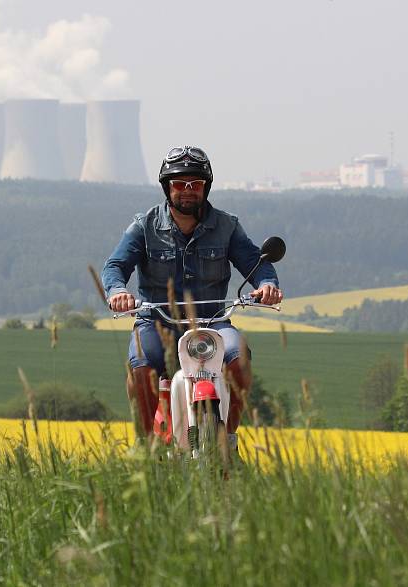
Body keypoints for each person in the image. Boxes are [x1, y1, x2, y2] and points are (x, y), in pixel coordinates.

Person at [101, 145, 283, 447]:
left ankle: (229, 440)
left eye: (195, 184)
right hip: (156, 324)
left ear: (206, 187)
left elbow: (255, 262)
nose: (187, 191)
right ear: (166, 188)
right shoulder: (144, 226)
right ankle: (145, 447)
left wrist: (267, 285)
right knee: (142, 367)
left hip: (213, 322)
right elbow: (115, 266)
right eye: (179, 184)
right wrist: (118, 291)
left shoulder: (227, 226)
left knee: (239, 360)